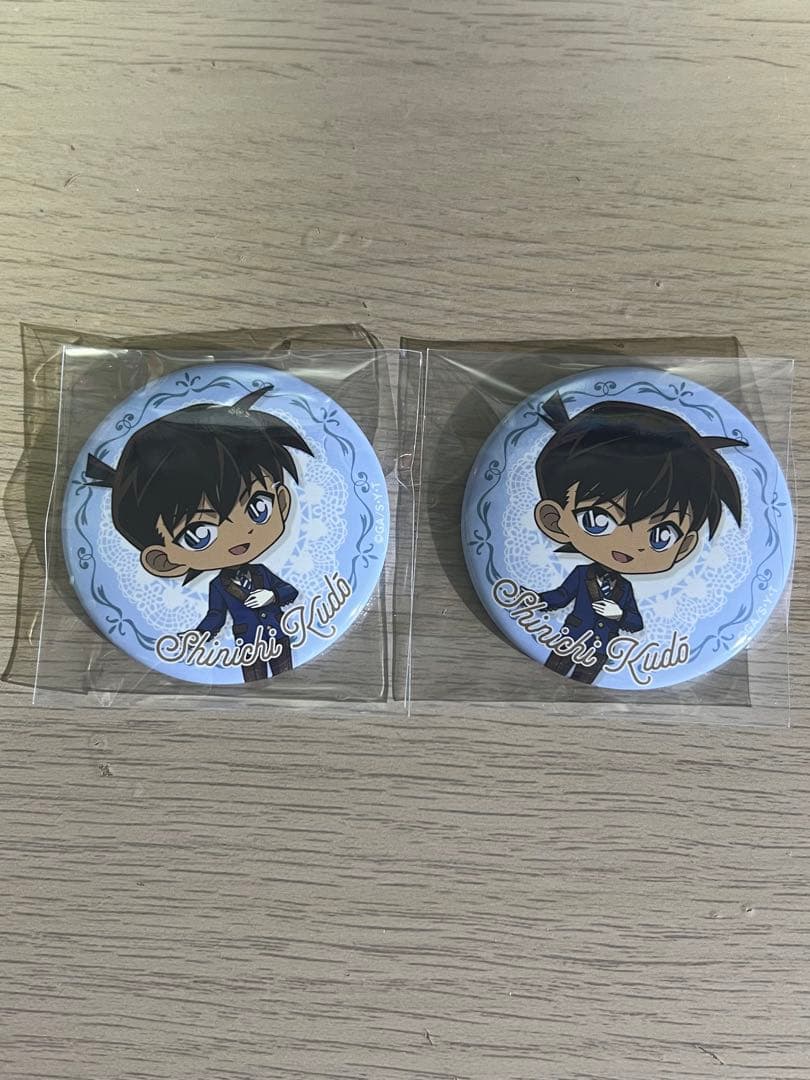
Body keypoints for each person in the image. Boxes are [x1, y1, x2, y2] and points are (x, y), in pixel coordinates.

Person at [85, 385, 313, 682]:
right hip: (246, 646)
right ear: (164, 561)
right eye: (199, 533)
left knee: (283, 670)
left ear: (281, 503)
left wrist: (271, 595)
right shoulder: (219, 586)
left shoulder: (262, 574)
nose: (240, 531)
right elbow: (215, 617)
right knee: (253, 675)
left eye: (258, 506)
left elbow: (289, 592)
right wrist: (195, 639)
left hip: (279, 635)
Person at [532, 391, 747, 683]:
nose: (630, 543)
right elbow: (560, 596)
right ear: (554, 521)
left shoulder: (623, 590)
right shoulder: (582, 575)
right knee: (556, 669)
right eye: (598, 519)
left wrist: (617, 614)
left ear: (684, 548)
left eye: (661, 535)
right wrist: (532, 601)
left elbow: (634, 622)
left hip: (600, 650)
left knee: (584, 680)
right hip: (569, 639)